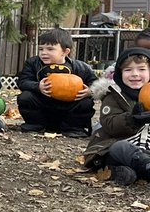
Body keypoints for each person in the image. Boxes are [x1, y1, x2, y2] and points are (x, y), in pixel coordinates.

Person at [83, 46, 150, 185]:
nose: (135, 74)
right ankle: (117, 170)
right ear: (119, 74)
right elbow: (110, 124)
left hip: (146, 148)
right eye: (128, 70)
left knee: (134, 168)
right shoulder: (113, 96)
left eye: (141, 69)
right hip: (116, 146)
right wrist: (132, 119)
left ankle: (136, 171)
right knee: (120, 148)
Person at [16, 28, 96, 137]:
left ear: (65, 52)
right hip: (43, 107)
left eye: (50, 49)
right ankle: (35, 125)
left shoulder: (80, 68)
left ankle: (74, 129)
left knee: (86, 102)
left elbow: (96, 84)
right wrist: (37, 86)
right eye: (41, 49)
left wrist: (90, 91)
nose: (44, 53)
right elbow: (23, 81)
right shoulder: (32, 63)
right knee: (25, 96)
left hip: (69, 109)